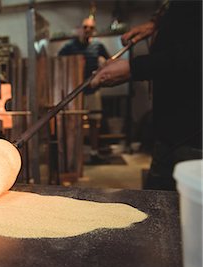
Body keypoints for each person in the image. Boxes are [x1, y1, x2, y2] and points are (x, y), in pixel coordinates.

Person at [90, 0, 202, 191]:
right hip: (171, 131)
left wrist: (134, 68)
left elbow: (195, 55)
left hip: (192, 135)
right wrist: (158, 25)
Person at [58, 17, 110, 164]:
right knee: (75, 123)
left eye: (90, 28)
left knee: (94, 122)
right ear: (79, 28)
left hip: (93, 89)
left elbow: (110, 60)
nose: (87, 30)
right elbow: (59, 62)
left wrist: (100, 74)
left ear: (93, 30)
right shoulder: (69, 47)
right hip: (76, 91)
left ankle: (94, 153)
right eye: (84, 27)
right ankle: (76, 155)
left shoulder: (98, 45)